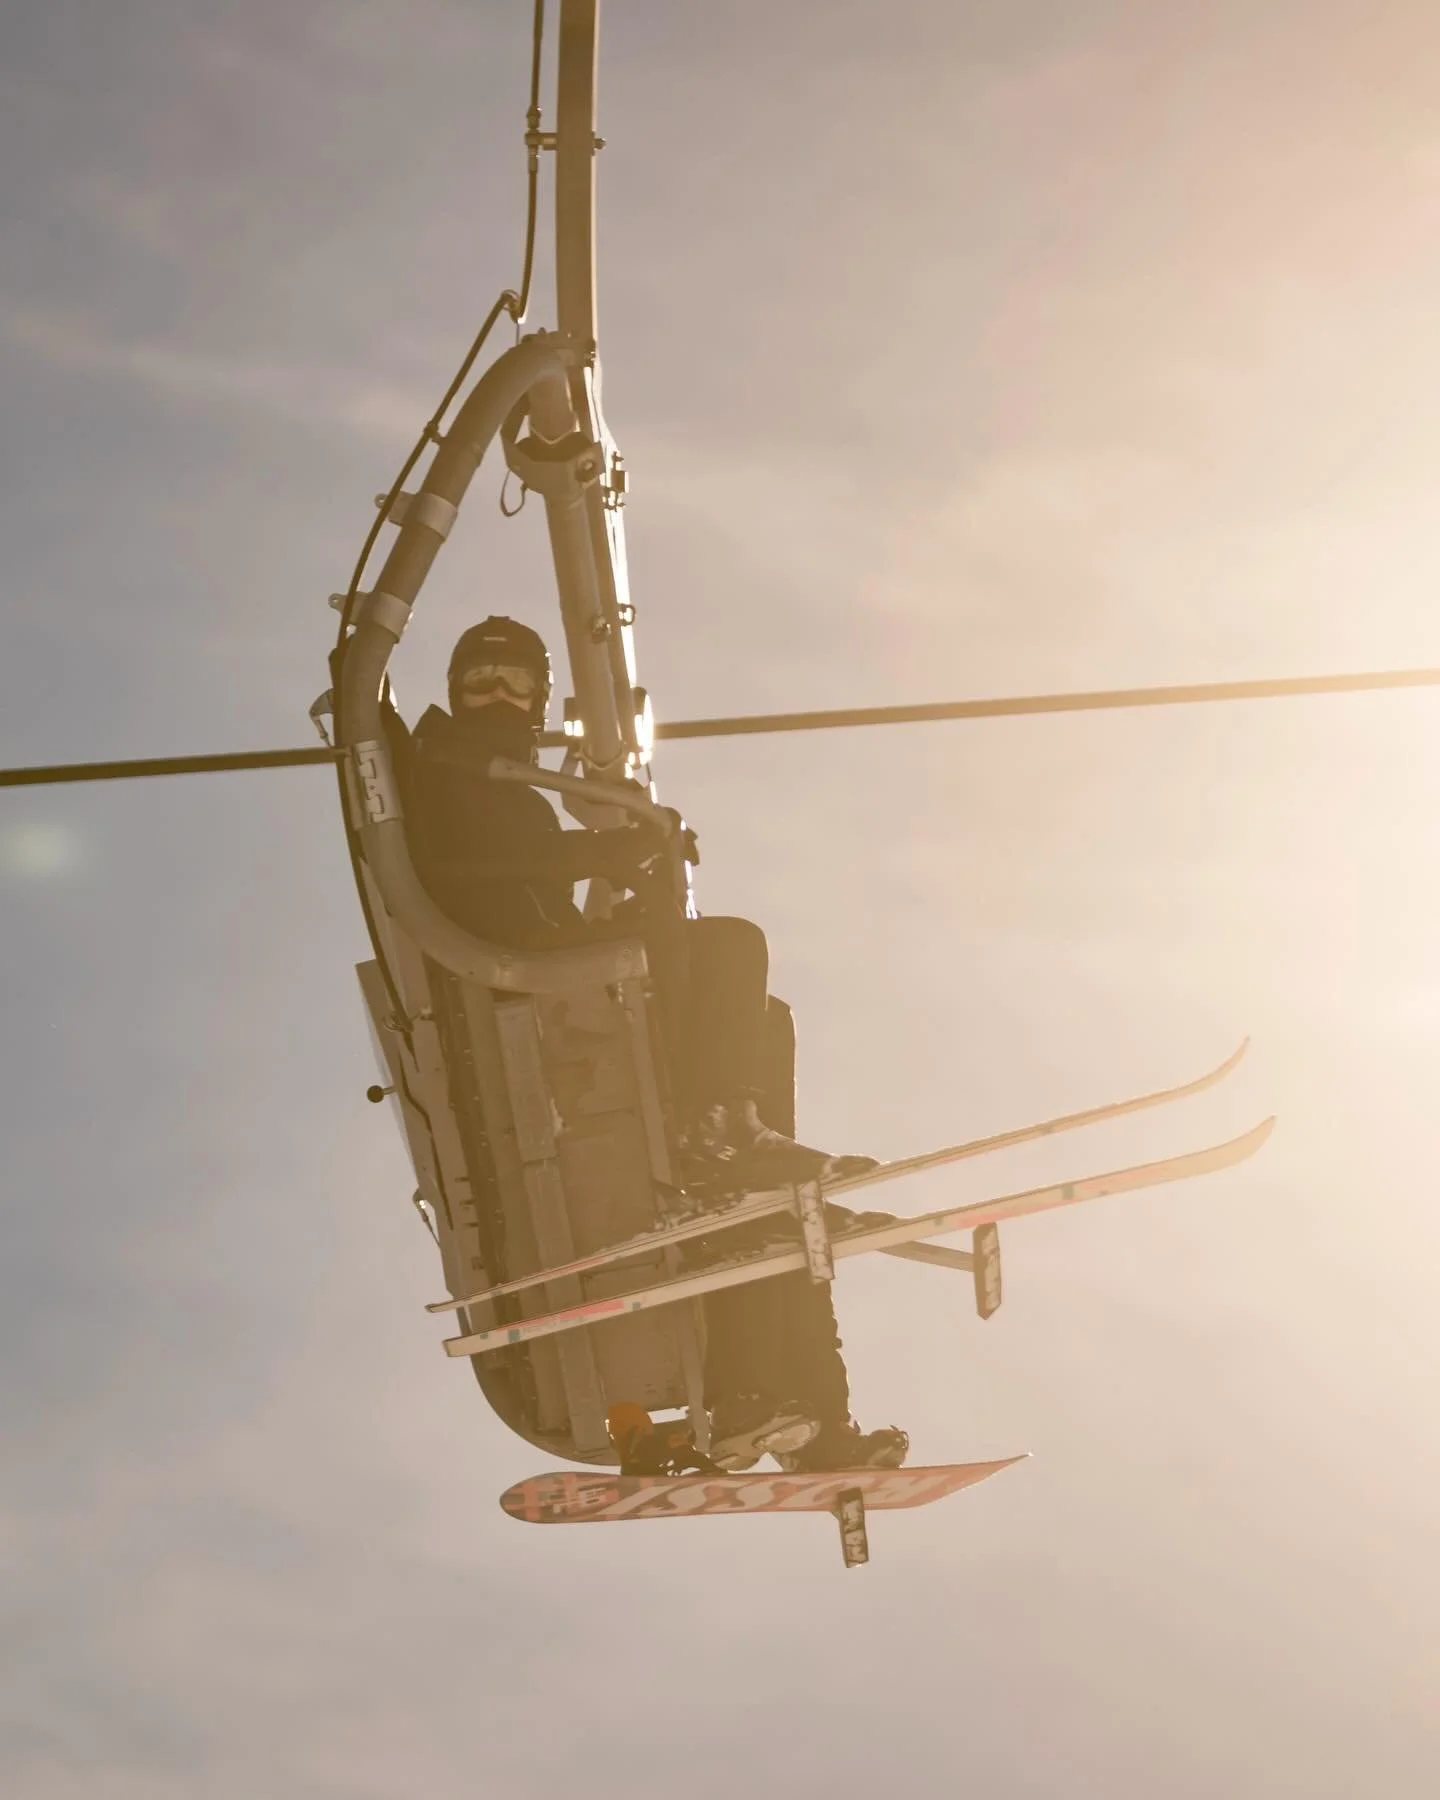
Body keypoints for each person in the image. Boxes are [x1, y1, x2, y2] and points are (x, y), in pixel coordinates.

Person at [393, 615, 907, 1472]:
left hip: (543, 956)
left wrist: (622, 859)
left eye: (516, 684)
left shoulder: (488, 777)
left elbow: (523, 865)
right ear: (454, 691)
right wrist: (617, 846)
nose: (497, 698)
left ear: (536, 697)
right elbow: (481, 872)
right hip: (532, 972)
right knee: (731, 945)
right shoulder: (457, 771)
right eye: (480, 680)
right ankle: (721, 1128)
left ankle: (816, 1422)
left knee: (772, 1093)